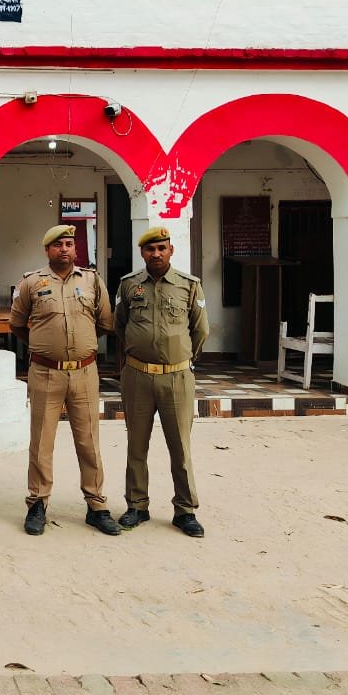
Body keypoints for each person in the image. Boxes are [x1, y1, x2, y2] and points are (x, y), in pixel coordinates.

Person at [10, 224, 120, 537]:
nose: (65, 249)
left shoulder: (92, 280)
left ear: (75, 248)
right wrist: (43, 344)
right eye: (58, 245)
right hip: (45, 372)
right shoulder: (31, 282)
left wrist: (82, 344)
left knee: (89, 441)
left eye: (69, 244)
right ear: (48, 249)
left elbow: (105, 323)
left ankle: (96, 505)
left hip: (84, 372)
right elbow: (17, 323)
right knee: (42, 441)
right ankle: (37, 503)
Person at [114, 227, 209, 539]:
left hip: (176, 377)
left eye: (161, 248)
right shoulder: (129, 285)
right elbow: (120, 325)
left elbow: (200, 330)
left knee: (180, 447)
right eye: (150, 249)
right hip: (137, 376)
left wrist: (180, 358)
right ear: (142, 253)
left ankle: (185, 511)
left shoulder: (189, 285)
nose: (156, 254)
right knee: (136, 445)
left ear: (171, 250)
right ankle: (137, 505)